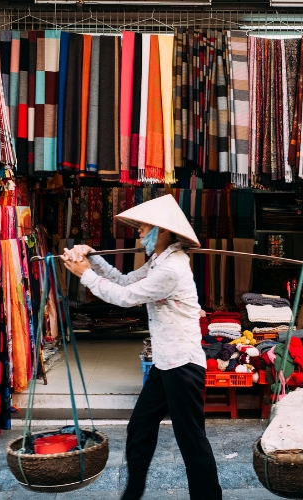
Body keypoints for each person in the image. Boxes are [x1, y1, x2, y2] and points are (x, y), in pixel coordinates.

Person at [61, 195, 222, 500]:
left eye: (142, 226)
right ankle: (132, 494)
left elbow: (126, 297)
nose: (136, 231)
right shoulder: (158, 262)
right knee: (139, 427)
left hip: (183, 366)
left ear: (161, 231)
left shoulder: (171, 268)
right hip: (166, 363)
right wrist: (92, 258)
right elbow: (122, 281)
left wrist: (85, 274)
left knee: (191, 441)